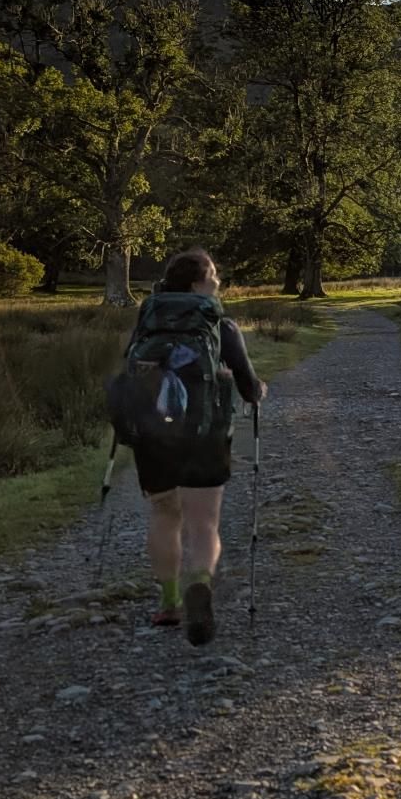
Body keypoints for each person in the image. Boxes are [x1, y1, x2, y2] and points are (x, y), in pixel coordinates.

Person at [133, 248, 265, 645]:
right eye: (213, 276)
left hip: (153, 432)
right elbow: (249, 388)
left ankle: (169, 602)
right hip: (205, 435)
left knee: (163, 511)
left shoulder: (147, 319)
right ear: (196, 284)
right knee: (203, 521)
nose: (218, 282)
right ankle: (199, 585)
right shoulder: (221, 326)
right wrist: (257, 391)